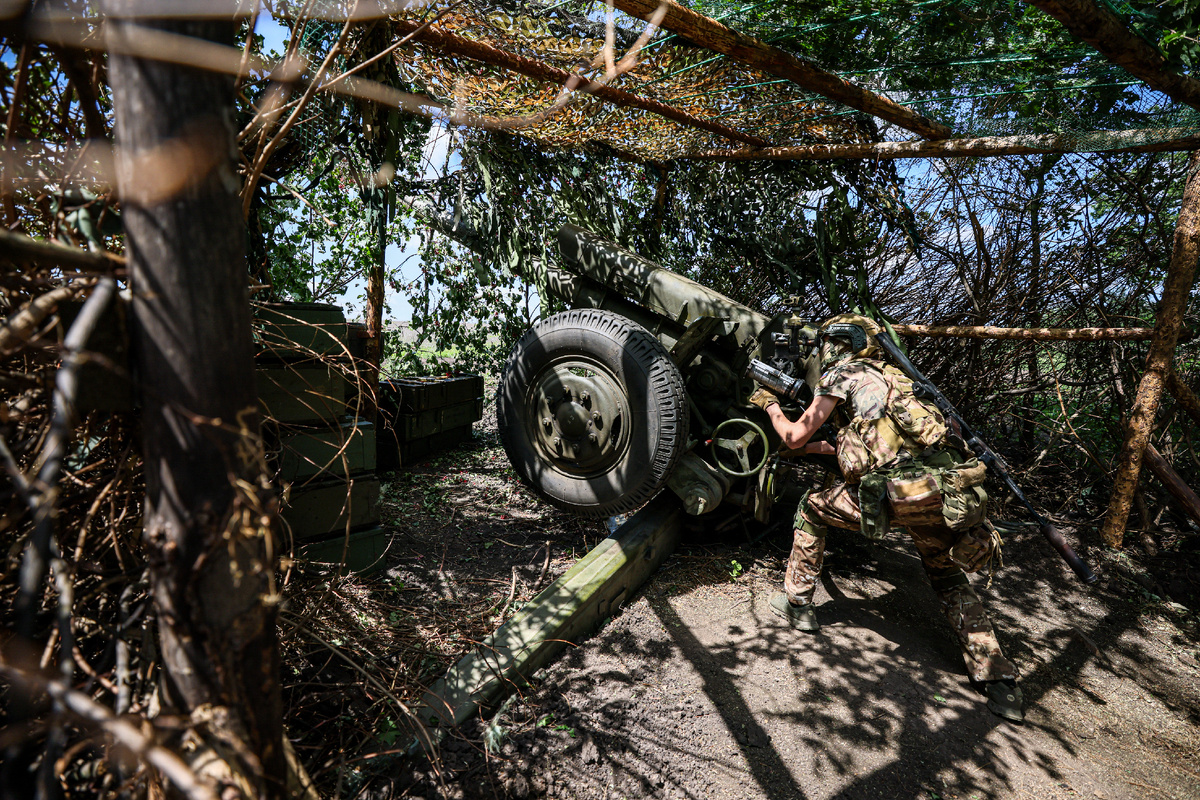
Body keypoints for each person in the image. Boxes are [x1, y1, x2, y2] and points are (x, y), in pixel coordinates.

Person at [748, 314, 1024, 723]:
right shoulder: (900, 381)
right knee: (947, 576)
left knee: (812, 508)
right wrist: (812, 450)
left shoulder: (842, 375)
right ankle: (1000, 683)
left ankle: (797, 603)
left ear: (837, 344)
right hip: (940, 494)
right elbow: (873, 444)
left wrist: (768, 404)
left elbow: (793, 434)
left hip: (894, 496)